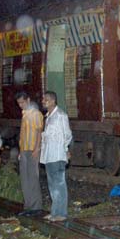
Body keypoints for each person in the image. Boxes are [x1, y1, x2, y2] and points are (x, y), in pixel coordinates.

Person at [40, 91, 73, 222]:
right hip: (49, 155)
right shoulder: (48, 117)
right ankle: (54, 212)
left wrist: (65, 150)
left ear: (53, 101)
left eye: (46, 99)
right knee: (52, 185)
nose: (43, 101)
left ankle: (62, 213)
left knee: (59, 184)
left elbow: (67, 135)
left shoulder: (60, 116)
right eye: (43, 99)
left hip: (57, 155)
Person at [15, 91, 44, 216]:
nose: (20, 105)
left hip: (32, 149)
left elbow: (39, 132)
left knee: (33, 178)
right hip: (24, 149)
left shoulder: (36, 114)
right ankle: (28, 206)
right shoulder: (25, 114)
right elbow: (23, 134)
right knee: (25, 179)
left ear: (28, 100)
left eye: (22, 102)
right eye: (19, 103)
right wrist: (20, 151)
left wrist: (37, 149)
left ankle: (36, 207)